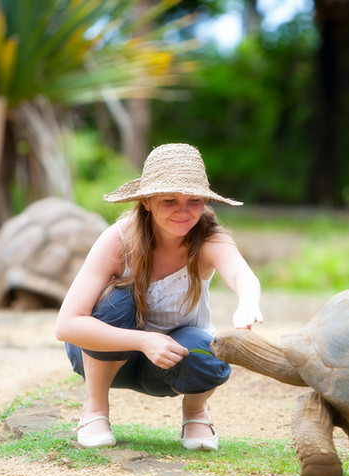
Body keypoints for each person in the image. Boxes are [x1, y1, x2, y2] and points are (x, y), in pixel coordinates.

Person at [55, 143, 262, 451]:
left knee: (206, 349)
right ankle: (95, 410)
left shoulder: (209, 238)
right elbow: (66, 326)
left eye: (194, 200)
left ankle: (195, 413)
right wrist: (143, 341)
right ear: (148, 202)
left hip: (169, 363)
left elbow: (241, 274)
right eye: (170, 201)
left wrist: (248, 302)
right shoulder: (118, 239)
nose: (184, 211)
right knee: (117, 299)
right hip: (105, 357)